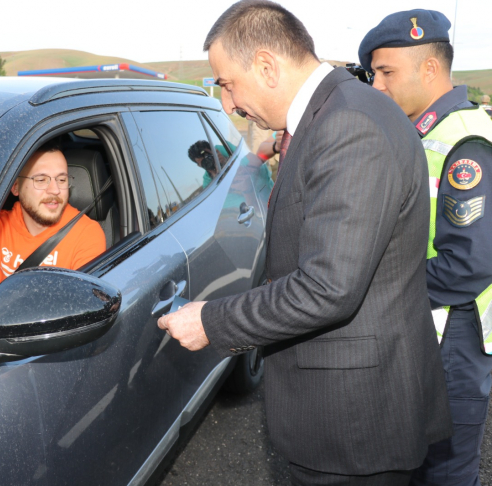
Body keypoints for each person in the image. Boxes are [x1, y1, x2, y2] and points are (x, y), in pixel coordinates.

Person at [156, 1, 452, 484]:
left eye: (228, 83)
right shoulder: (333, 114)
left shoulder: (348, 125)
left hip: (354, 429)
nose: (228, 104)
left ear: (267, 66)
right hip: (345, 413)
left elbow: (328, 287)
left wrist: (211, 320)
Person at [360, 10, 492, 485]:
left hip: (454, 336)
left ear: (430, 69)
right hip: (426, 331)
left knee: (446, 473)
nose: (376, 84)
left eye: (387, 72)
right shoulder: (426, 133)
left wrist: (375, 289)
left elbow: (468, 266)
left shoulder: (465, 141)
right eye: (374, 73)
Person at [0, 140, 106, 298]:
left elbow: (81, 307)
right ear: (15, 187)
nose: (55, 190)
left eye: (61, 180)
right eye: (41, 180)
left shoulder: (86, 235)